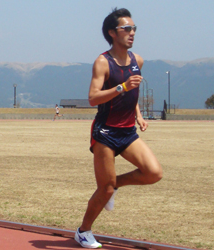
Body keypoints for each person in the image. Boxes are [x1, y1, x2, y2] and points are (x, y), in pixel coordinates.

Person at [74, 8, 163, 248]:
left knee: (154, 173)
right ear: (113, 33)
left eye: (134, 28)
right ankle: (83, 231)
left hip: (127, 132)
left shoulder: (137, 60)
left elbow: (132, 93)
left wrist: (139, 116)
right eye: (126, 28)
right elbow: (93, 97)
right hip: (105, 132)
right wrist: (122, 87)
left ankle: (116, 187)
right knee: (104, 188)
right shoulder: (103, 62)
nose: (132, 33)